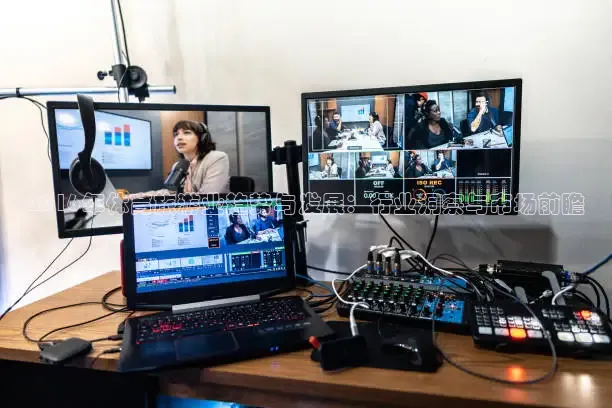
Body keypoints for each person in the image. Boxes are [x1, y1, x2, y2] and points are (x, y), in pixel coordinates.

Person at [128, 120, 230, 198]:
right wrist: (134, 197)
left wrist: (184, 197)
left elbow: (208, 197)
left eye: (186, 132)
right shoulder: (179, 165)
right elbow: (171, 193)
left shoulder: (217, 158)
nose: (179, 138)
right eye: (176, 134)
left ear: (202, 138)